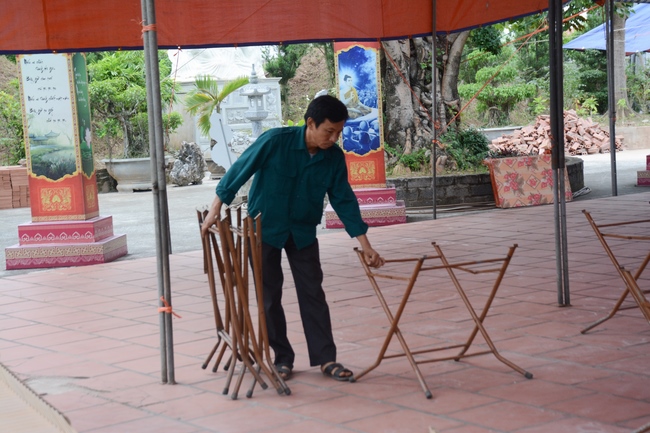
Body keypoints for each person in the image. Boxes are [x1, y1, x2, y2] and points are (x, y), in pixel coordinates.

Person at [201, 95, 384, 382]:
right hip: (264, 230)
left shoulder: (333, 158)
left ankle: (326, 358)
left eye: (338, 132)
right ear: (310, 123)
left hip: (302, 232)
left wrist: (366, 245)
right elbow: (240, 169)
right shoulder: (275, 141)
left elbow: (344, 200)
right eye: (329, 131)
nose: (334, 139)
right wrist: (216, 208)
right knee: (269, 296)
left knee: (313, 293)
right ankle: (282, 358)